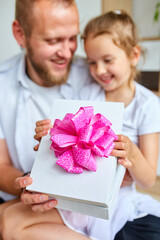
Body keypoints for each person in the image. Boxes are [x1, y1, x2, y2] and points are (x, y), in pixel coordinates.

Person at [1, 9, 160, 240]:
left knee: (11, 224)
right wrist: (51, 134)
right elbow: (69, 136)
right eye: (92, 63)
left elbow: (147, 180)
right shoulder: (88, 93)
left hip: (114, 199)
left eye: (108, 61)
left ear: (134, 55)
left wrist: (132, 154)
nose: (99, 71)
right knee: (5, 215)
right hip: (78, 192)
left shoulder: (148, 106)